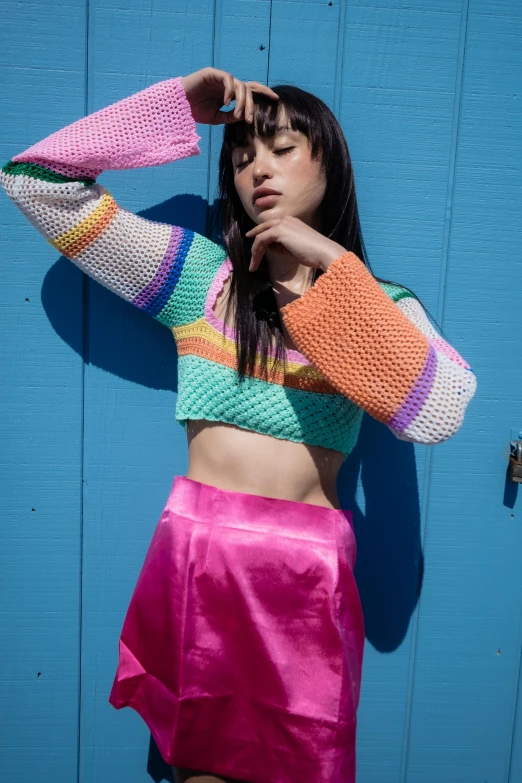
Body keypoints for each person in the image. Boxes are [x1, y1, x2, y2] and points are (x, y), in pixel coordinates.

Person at [0, 66, 477, 783]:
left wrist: (330, 266)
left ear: (331, 161)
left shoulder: (379, 302)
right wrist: (175, 109)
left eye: (282, 148)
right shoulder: (202, 279)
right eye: (244, 155)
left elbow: (439, 411)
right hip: (202, 566)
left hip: (305, 581)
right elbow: (35, 182)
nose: (258, 168)